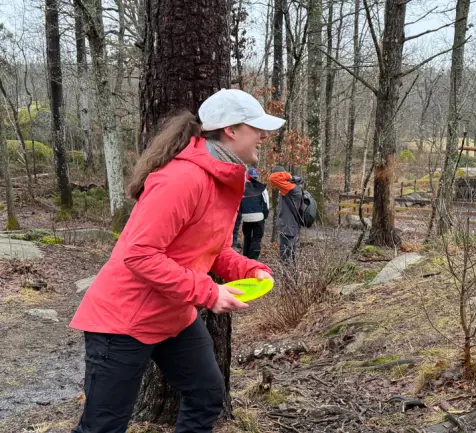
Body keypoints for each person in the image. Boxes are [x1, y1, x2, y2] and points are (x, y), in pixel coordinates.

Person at [69, 88, 285, 433]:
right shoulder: (182, 178)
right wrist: (209, 293)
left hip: (174, 314)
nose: (263, 135)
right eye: (256, 127)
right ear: (230, 130)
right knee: (103, 426)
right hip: (123, 320)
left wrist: (251, 268)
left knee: (207, 395)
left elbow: (215, 249)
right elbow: (139, 254)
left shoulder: (224, 179)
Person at [268, 165, 302, 265]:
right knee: (291, 252)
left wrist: (288, 175)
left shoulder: (289, 188)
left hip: (287, 226)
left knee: (286, 254)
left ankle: (286, 272)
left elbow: (273, 178)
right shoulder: (295, 187)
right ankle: (291, 272)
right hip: (292, 224)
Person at [240, 167, 270, 260]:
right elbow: (266, 203)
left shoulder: (242, 187)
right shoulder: (262, 188)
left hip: (245, 217)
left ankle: (245, 258)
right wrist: (265, 215)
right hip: (258, 217)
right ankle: (253, 259)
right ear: (256, 177)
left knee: (247, 238)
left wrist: (241, 215)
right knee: (256, 238)